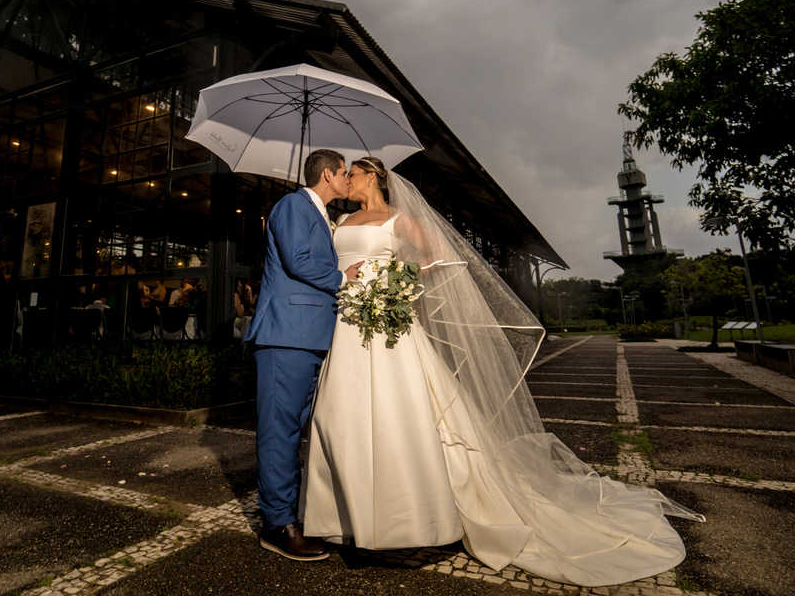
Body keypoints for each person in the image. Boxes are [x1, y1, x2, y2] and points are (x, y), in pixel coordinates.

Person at [301, 157, 705, 587]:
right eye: (343, 173)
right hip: (346, 325)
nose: (347, 179)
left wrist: (390, 277)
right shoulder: (339, 219)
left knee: (395, 416)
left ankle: (399, 521)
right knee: (340, 416)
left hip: (388, 325)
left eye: (354, 173)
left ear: (373, 177)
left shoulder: (399, 219)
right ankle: (346, 515)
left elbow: (440, 259)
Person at [245, 148, 364, 563]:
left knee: (293, 431)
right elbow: (297, 261)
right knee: (279, 432)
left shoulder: (319, 213)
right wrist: (341, 278)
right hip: (286, 335)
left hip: (310, 336)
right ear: (328, 174)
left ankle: (290, 513)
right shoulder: (293, 204)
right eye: (345, 173)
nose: (350, 180)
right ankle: (278, 526)